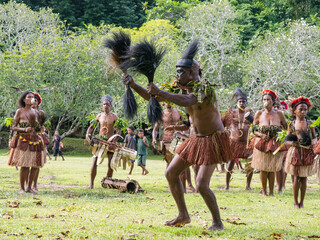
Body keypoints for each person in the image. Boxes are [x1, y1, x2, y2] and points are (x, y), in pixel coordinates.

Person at [123, 41, 233, 230]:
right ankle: (183, 214)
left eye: (182, 71)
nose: (178, 74)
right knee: (171, 173)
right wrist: (134, 85)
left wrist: (161, 92)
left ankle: (218, 223)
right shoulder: (181, 88)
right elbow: (154, 98)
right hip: (195, 139)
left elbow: (186, 100)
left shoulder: (204, 89)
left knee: (201, 185)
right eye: (178, 70)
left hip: (213, 139)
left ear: (194, 72)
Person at [8, 91, 46, 194]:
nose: (31, 98)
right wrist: (24, 130)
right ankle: (22, 188)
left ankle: (30, 187)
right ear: (24, 100)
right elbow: (13, 126)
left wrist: (40, 129)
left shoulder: (38, 113)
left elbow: (38, 127)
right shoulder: (20, 111)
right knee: (24, 165)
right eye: (29, 97)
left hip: (35, 140)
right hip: (24, 141)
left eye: (32, 97)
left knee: (34, 165)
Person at [251, 90, 287, 196]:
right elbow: (253, 129)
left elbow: (285, 128)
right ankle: (264, 190)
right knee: (263, 168)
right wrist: (261, 135)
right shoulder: (259, 113)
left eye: (268, 99)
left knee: (272, 168)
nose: (266, 102)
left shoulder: (279, 114)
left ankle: (271, 191)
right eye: (264, 100)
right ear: (262, 101)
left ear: (273, 101)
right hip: (262, 143)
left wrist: (280, 135)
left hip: (274, 143)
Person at [284, 96, 317, 208]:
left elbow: (314, 137)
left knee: (304, 178)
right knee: (296, 177)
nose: (303, 112)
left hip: (307, 152)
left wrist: (314, 143)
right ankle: (295, 202)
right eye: (300, 109)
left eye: (305, 109)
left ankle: (302, 202)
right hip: (296, 152)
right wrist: (292, 144)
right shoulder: (292, 124)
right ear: (295, 111)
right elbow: (287, 140)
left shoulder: (309, 124)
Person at [221, 88, 254, 190]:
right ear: (236, 103)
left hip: (246, 143)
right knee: (230, 162)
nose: (242, 103)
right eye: (240, 102)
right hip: (233, 142)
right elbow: (221, 124)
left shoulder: (250, 114)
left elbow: (256, 125)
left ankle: (248, 185)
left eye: (244, 102)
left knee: (250, 163)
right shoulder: (232, 113)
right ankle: (227, 185)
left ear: (246, 103)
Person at [86, 94, 120, 189]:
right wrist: (88, 135)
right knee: (94, 162)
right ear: (102, 105)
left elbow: (119, 130)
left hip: (110, 142)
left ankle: (108, 183)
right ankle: (91, 184)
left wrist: (114, 140)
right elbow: (91, 127)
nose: (106, 106)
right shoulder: (99, 116)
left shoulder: (114, 117)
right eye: (104, 104)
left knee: (110, 164)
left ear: (111, 106)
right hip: (100, 141)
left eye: (108, 104)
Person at [30, 92, 48, 192]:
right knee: (27, 163)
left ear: (38, 102)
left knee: (37, 163)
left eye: (36, 100)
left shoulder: (41, 113)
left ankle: (35, 184)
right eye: (32, 100)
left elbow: (42, 126)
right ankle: (27, 184)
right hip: (27, 139)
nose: (34, 102)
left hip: (38, 139)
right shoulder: (25, 112)